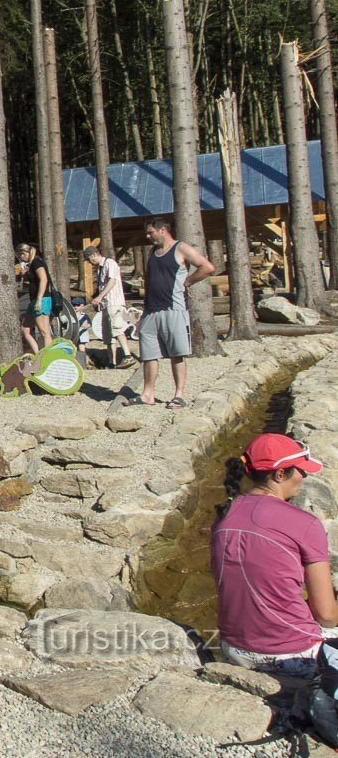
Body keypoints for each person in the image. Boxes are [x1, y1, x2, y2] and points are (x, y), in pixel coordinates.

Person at [212, 433, 338, 675]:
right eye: (301, 470)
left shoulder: (223, 515)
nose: (304, 476)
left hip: (233, 649)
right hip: (291, 653)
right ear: (280, 475)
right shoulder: (305, 523)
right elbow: (327, 617)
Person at [125, 216, 216, 408]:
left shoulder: (180, 248)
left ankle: (179, 395)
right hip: (151, 311)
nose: (148, 236)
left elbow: (207, 267)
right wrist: (144, 311)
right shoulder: (153, 252)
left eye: (150, 232)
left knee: (177, 353)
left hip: (173, 308)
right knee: (149, 354)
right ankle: (148, 394)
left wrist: (188, 281)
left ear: (162, 230)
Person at [86, 245, 134, 367]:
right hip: (105, 305)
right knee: (108, 335)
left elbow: (112, 281)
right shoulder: (99, 269)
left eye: (89, 259)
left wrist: (100, 296)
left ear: (94, 254)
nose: (89, 262)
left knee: (117, 328)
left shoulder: (110, 263)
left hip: (114, 302)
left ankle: (128, 356)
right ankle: (111, 361)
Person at [18, 243, 54, 354]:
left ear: (24, 253)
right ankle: (38, 354)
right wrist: (24, 275)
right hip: (33, 300)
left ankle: (48, 356)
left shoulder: (37, 262)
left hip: (41, 300)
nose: (20, 259)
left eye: (20, 256)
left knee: (44, 332)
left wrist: (39, 299)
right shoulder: (31, 265)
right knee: (25, 329)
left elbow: (44, 279)